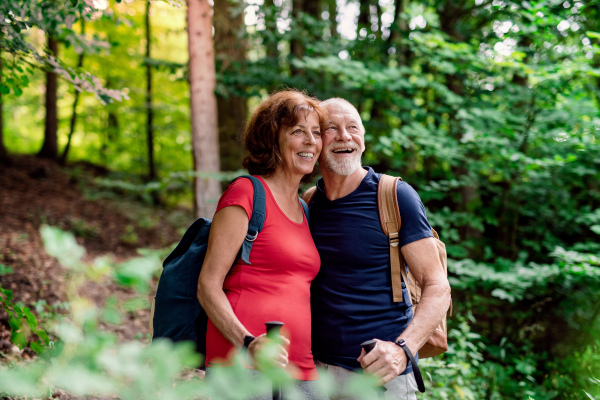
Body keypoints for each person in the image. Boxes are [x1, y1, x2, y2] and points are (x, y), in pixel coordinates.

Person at [306, 98, 451, 400]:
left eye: (353, 128)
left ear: (363, 138)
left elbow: (437, 286)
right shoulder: (308, 202)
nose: (345, 136)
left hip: (381, 377)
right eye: (331, 128)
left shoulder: (394, 196)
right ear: (316, 140)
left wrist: (402, 350)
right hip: (313, 376)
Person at [197, 90, 327, 399]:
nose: (311, 141)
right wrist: (247, 342)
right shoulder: (245, 193)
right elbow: (208, 285)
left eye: (317, 133)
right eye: (298, 131)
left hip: (301, 369)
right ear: (272, 138)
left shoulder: (305, 209)